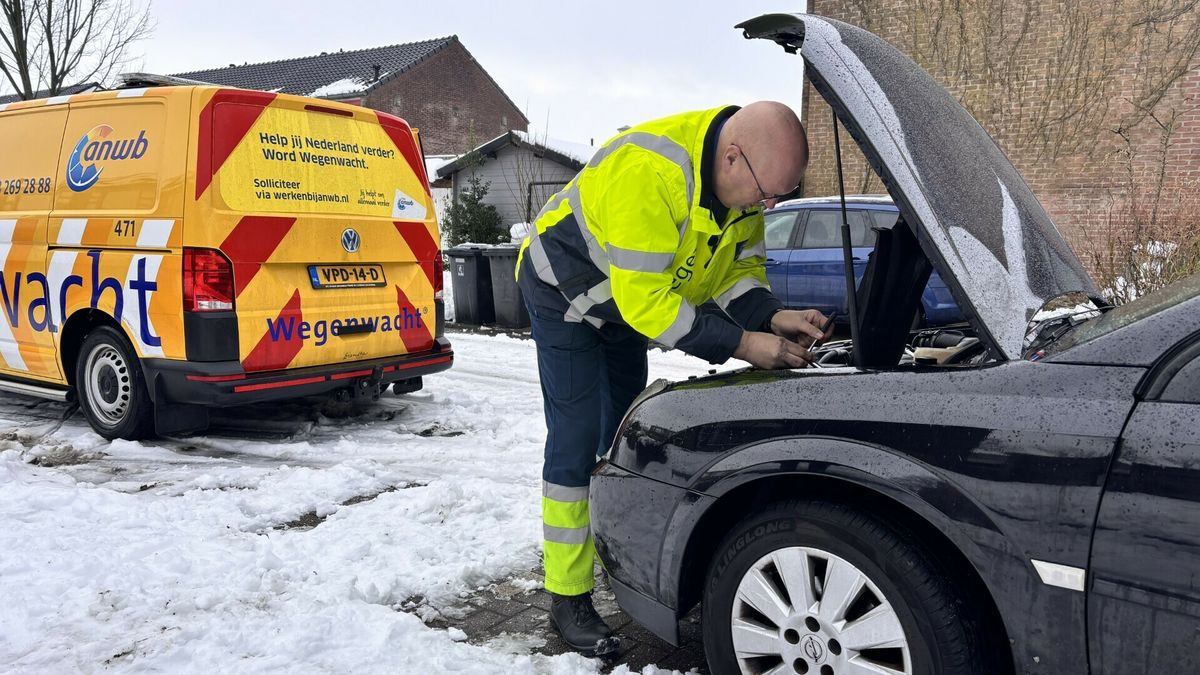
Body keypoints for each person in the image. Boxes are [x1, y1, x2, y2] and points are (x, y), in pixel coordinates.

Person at [515, 101, 829, 654]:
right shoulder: (649, 172)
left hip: (624, 306)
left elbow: (736, 274)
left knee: (624, 431)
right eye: (766, 194)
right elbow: (650, 306)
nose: (768, 207)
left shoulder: (745, 187)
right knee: (577, 435)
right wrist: (744, 344)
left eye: (780, 196)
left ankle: (616, 553)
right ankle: (568, 595)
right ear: (732, 158)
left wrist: (772, 317)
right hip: (564, 293)